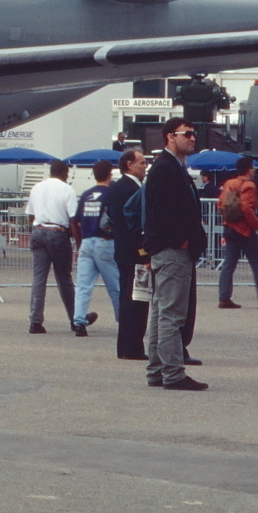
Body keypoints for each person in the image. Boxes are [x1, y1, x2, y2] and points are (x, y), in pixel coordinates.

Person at [142, 117, 207, 391]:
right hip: (172, 253)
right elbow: (161, 212)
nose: (193, 138)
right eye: (187, 134)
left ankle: (157, 370)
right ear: (170, 136)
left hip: (169, 251)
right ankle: (172, 373)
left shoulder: (172, 167)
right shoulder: (165, 169)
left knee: (161, 313)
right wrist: (179, 241)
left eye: (194, 134)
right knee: (171, 315)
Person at [217, 157, 258, 310]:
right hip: (244, 229)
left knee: (228, 264)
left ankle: (224, 298)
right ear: (248, 169)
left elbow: (219, 204)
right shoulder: (249, 186)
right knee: (257, 263)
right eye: (253, 168)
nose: (254, 170)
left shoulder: (229, 183)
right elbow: (247, 208)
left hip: (229, 227)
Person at [103, 148, 149, 360]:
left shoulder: (116, 187)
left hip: (123, 250)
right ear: (129, 165)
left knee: (128, 298)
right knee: (136, 300)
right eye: (141, 162)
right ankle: (132, 347)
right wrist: (144, 251)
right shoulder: (130, 188)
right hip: (134, 252)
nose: (145, 165)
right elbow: (135, 223)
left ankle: (127, 346)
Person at [25, 160, 80, 334]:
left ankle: (35, 321)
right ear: (63, 172)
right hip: (57, 232)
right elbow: (73, 220)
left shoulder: (37, 187)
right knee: (64, 278)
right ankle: (75, 319)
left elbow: (30, 215)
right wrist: (79, 244)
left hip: (39, 231)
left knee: (39, 277)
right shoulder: (67, 189)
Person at [71, 160, 119, 336]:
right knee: (115, 286)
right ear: (109, 174)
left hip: (86, 241)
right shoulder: (111, 194)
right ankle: (123, 321)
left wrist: (79, 244)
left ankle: (79, 322)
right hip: (105, 241)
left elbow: (75, 221)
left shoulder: (86, 194)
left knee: (83, 286)